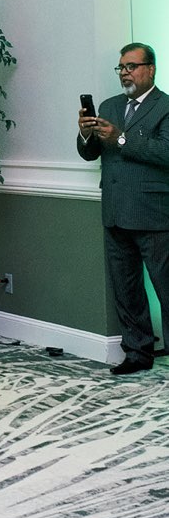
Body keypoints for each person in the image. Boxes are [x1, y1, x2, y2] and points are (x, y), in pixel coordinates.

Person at [77, 43, 169, 375]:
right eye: (121, 68)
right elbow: (89, 154)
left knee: (166, 287)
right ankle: (137, 351)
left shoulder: (166, 107)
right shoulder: (110, 106)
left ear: (151, 69)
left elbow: (165, 153)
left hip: (154, 214)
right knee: (126, 288)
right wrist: (85, 133)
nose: (125, 73)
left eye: (131, 66)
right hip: (115, 212)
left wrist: (120, 139)